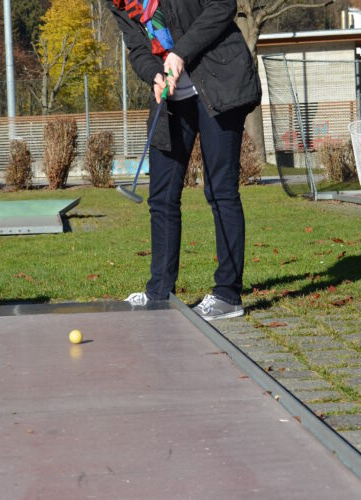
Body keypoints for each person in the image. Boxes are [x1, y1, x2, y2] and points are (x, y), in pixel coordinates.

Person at [109, 0, 261, 320]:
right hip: (172, 95)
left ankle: (227, 295)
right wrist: (154, 75)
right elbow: (137, 47)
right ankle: (159, 293)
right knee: (161, 196)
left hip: (218, 79)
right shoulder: (120, 4)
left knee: (220, 191)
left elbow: (223, 6)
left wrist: (180, 53)